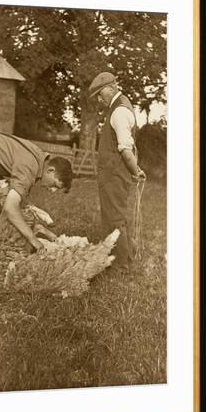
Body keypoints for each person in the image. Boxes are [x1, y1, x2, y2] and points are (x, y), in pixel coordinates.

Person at [0, 130, 73, 280]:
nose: (53, 191)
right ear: (51, 170)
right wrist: (33, 239)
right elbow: (11, 208)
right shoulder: (29, 167)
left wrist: (43, 225)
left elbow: (19, 199)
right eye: (55, 184)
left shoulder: (38, 160)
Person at [88, 72, 145, 271]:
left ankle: (121, 265)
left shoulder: (119, 112)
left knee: (115, 217)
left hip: (114, 174)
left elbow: (125, 149)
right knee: (116, 215)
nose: (98, 99)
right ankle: (121, 257)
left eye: (98, 93)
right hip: (113, 173)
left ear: (110, 88)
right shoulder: (119, 107)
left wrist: (135, 171)